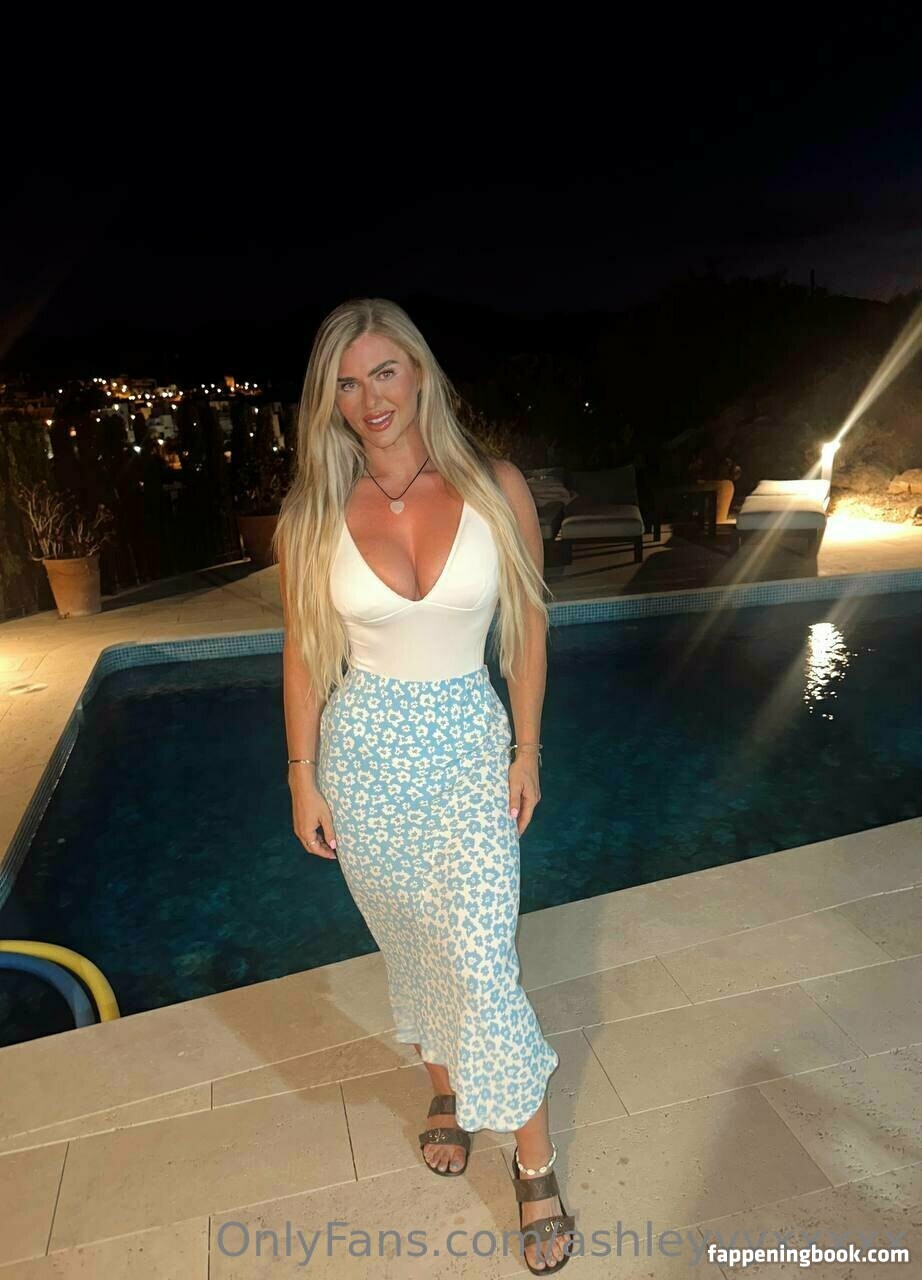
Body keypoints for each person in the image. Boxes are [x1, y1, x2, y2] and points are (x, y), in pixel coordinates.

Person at [274, 297, 575, 1272]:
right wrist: (302, 775)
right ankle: (445, 1086)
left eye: (385, 372)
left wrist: (527, 748)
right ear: (329, 401)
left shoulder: (495, 486)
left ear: (419, 372)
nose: (370, 398)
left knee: (482, 961)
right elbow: (301, 652)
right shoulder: (312, 513)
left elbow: (528, 624)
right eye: (347, 383)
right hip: (363, 759)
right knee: (412, 943)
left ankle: (534, 1160)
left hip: (467, 749)